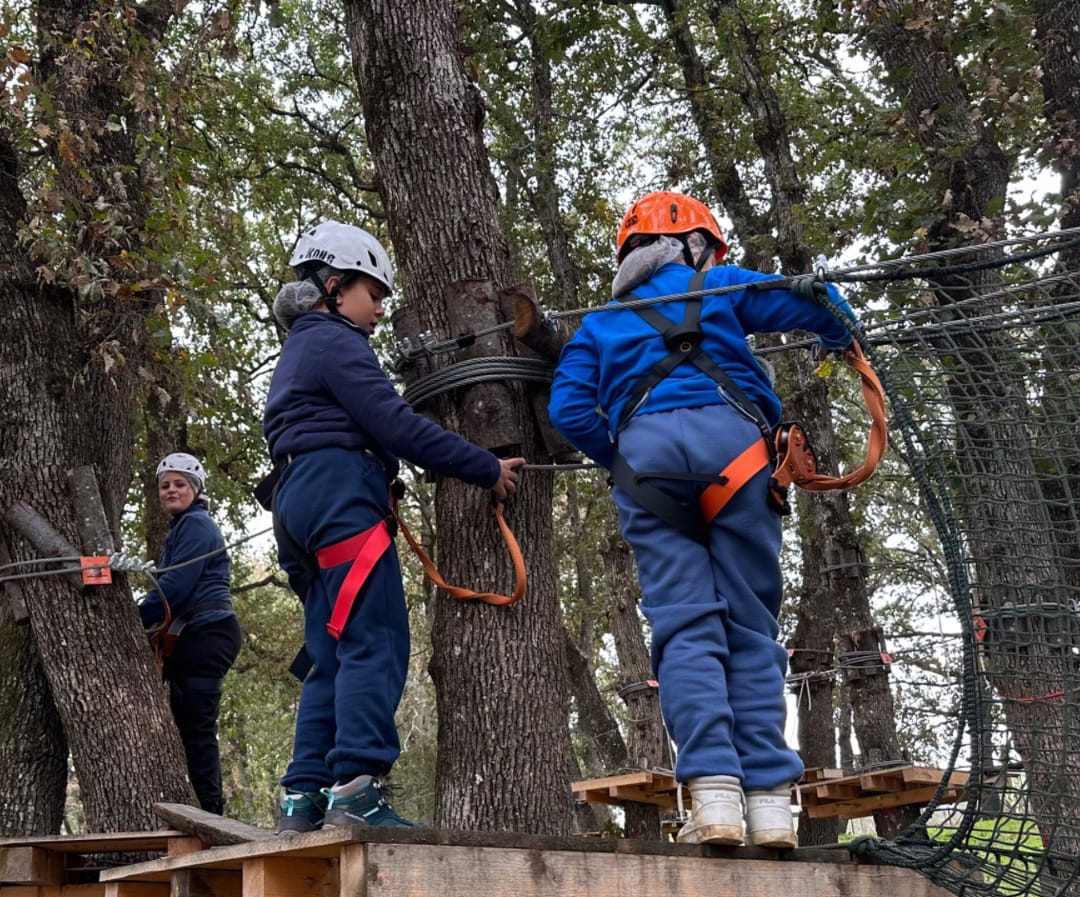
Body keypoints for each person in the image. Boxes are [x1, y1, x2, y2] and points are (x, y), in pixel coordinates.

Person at [548, 191, 859, 848]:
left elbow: (570, 411)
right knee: (749, 625)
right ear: (696, 245)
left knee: (686, 627)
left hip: (649, 469)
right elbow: (811, 302)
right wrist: (841, 331)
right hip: (741, 459)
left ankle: (714, 796)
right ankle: (772, 804)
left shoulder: (599, 323)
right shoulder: (718, 284)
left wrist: (624, 459)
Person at [264, 220, 524, 833]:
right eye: (373, 294)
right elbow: (398, 427)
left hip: (298, 503)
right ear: (334, 287)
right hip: (338, 497)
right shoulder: (333, 339)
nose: (380, 311)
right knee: (373, 641)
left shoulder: (301, 351)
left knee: (330, 652)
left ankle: (304, 799)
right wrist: (482, 466)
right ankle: (357, 787)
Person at [139, 453, 241, 816]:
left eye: (179, 484)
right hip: (197, 635)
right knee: (186, 725)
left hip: (207, 633)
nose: (171, 490)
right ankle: (201, 806)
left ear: (195, 489)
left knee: (196, 729)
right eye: (165, 485)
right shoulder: (182, 528)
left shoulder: (197, 525)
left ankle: (211, 811)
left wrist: (136, 617)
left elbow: (176, 587)